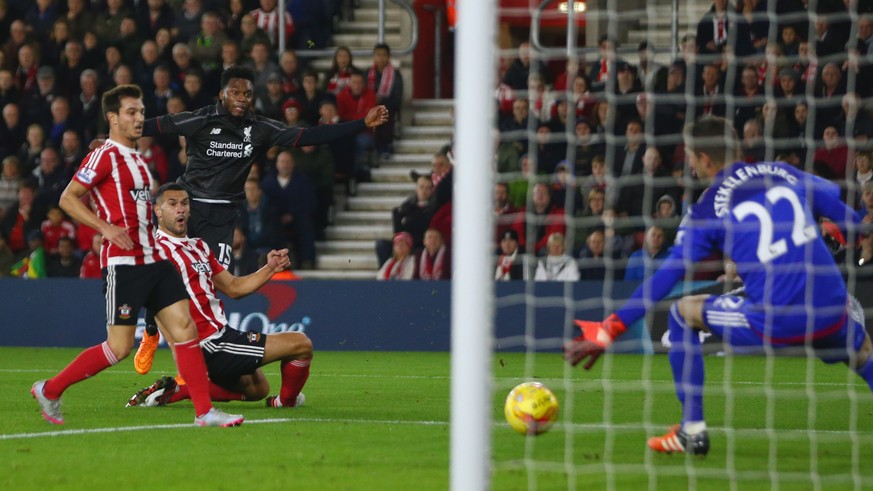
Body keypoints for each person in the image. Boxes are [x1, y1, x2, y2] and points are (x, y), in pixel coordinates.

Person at [564, 116, 873, 456]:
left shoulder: (707, 209)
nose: (691, 164)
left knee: (682, 313)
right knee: (863, 354)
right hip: (832, 308)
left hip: (779, 318)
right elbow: (856, 226)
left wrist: (611, 327)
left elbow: (666, 276)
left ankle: (691, 430)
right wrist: (846, 228)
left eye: (692, 157)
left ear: (705, 160)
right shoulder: (784, 172)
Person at [134, 65, 388, 372]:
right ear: (222, 95)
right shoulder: (201, 119)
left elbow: (308, 136)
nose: (242, 99)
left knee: (212, 283)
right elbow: (154, 126)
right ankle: (150, 332)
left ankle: (200, 355)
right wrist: (111, 141)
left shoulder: (260, 128)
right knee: (159, 267)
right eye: (236, 93)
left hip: (223, 218)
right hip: (187, 207)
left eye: (247, 94)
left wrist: (361, 123)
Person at [31, 84, 242, 427]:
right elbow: (68, 198)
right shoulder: (105, 155)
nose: (139, 118)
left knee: (184, 328)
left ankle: (205, 413)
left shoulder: (139, 160)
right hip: (124, 264)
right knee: (118, 347)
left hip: (154, 260)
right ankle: (50, 389)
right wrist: (105, 228)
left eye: (142, 111)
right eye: (131, 112)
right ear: (112, 117)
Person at [126, 183, 311, 409]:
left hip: (222, 336)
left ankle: (178, 391)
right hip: (207, 345)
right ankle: (286, 402)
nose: (180, 209)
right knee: (301, 344)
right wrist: (179, 353)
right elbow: (155, 303)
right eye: (172, 204)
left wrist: (270, 268)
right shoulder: (157, 253)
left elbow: (234, 287)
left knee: (257, 388)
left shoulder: (199, 247)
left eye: (184, 203)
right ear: (157, 210)